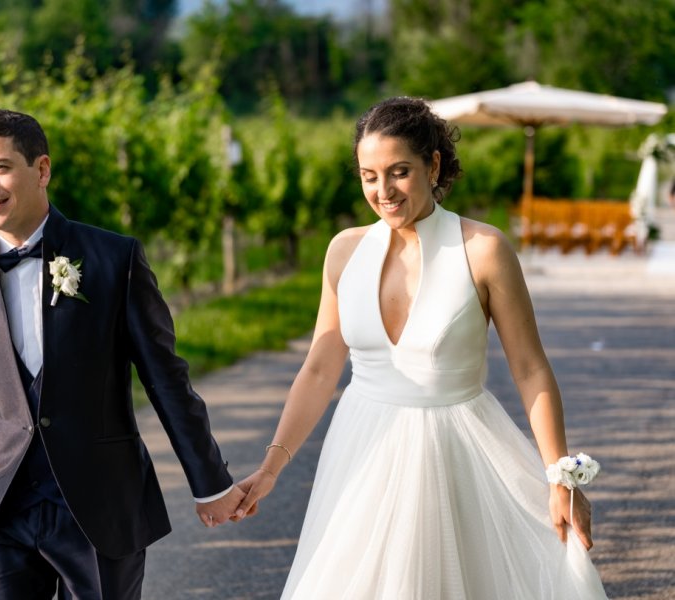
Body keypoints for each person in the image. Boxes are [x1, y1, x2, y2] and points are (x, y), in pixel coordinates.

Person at [233, 97, 608, 599]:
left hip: (454, 449)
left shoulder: (484, 249)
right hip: (361, 450)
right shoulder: (344, 251)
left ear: (433, 166)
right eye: (369, 175)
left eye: (399, 171)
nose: (383, 191)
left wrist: (561, 477)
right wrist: (270, 468)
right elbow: (321, 368)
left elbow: (529, 368)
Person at [0, 109, 244, 600]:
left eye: (0, 167)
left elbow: (166, 380)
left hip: (99, 506)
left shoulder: (115, 259)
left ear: (43, 169)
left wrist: (210, 482)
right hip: (0, 513)